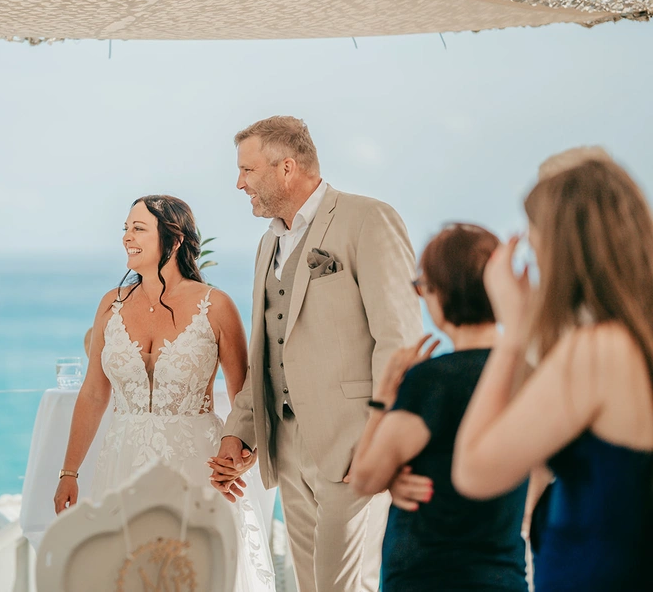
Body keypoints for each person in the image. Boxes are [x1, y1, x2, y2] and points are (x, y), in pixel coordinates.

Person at [209, 116, 423, 591]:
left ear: (286, 168)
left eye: (248, 170)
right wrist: (240, 431)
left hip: (353, 445)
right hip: (287, 449)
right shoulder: (268, 243)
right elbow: (267, 352)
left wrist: (378, 438)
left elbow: (399, 339)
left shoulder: (367, 219)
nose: (239, 183)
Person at [53, 195, 275, 591]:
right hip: (123, 464)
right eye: (125, 228)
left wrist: (246, 456)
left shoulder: (216, 306)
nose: (126, 237)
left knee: (197, 573)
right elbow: (93, 394)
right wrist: (69, 472)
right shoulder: (110, 305)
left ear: (174, 241)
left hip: (198, 466)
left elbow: (246, 397)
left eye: (138, 228)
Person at [453, 159, 653, 590]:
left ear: (562, 250)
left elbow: (474, 469)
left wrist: (512, 333)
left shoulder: (597, 351)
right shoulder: (635, 341)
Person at [349, 224, 528, 591]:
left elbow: (365, 478)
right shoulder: (528, 376)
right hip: (503, 573)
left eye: (422, 286)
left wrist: (383, 398)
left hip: (429, 574)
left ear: (441, 292)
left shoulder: (433, 381)